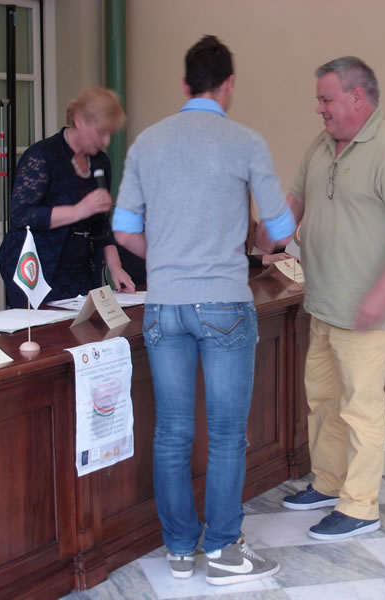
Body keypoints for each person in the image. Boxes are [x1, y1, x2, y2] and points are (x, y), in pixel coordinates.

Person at [112, 35, 294, 586]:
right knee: (225, 432)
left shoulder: (147, 141)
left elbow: (124, 230)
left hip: (163, 304)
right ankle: (222, 551)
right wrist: (254, 242)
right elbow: (280, 232)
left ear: (185, 84)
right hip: (223, 302)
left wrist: (166, 256)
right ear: (229, 85)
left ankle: (178, 549)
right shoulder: (246, 142)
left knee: (170, 431)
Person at [280, 57, 385, 540]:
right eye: (319, 100)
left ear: (357, 97)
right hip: (323, 304)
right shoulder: (320, 146)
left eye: (326, 99)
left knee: (361, 409)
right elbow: (295, 206)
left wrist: (383, 292)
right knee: (323, 402)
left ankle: (360, 507)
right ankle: (328, 483)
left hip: (366, 313)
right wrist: (268, 234)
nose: (319, 110)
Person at [0, 87, 135, 307]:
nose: (107, 141)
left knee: (83, 333)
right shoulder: (42, 156)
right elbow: (21, 215)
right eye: (102, 132)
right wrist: (78, 211)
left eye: (110, 133)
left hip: (80, 268)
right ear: (80, 121)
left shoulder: (100, 162)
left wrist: (115, 267)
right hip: (37, 269)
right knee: (48, 336)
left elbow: (101, 223)